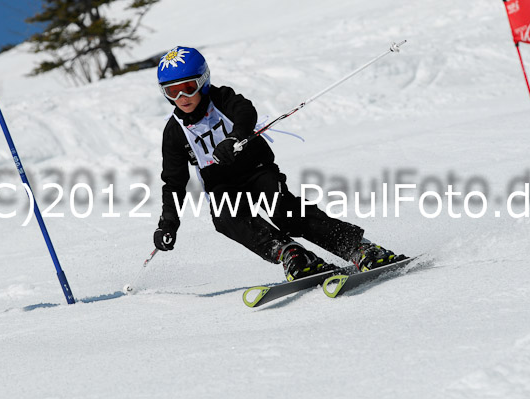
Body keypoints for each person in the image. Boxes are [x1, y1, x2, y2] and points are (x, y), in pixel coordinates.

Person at [153, 46, 404, 281]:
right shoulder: (174, 132)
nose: (182, 97)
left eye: (188, 87)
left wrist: (235, 138)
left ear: (203, 81)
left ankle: (359, 248)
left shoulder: (221, 98)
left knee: (284, 211)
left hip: (255, 170)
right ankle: (292, 255)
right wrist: (168, 224)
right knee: (226, 219)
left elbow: (245, 111)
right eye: (172, 91)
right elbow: (174, 182)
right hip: (221, 185)